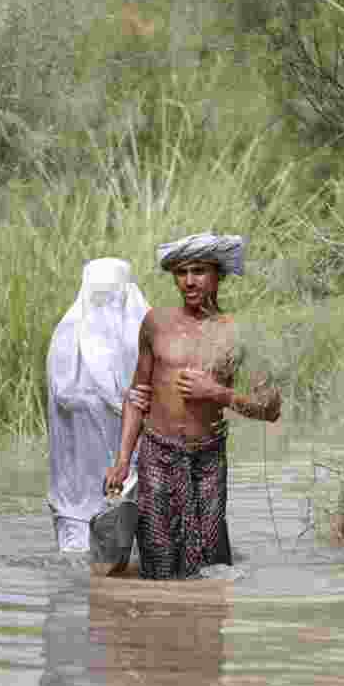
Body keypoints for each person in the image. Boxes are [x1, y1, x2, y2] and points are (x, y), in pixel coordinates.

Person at [104, 232, 282, 579]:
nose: (189, 281)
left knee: (211, 567)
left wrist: (218, 393)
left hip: (208, 461)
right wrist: (123, 461)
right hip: (157, 456)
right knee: (158, 565)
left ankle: (206, 629)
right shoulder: (156, 323)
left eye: (199, 271)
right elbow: (137, 396)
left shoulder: (236, 333)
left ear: (219, 275)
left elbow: (270, 408)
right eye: (181, 273)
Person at [46, 258, 151, 553]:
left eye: (111, 296)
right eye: (98, 296)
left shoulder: (146, 333)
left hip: (130, 455)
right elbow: (62, 397)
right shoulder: (67, 337)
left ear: (127, 292)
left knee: (135, 537)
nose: (105, 306)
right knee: (79, 547)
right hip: (78, 465)